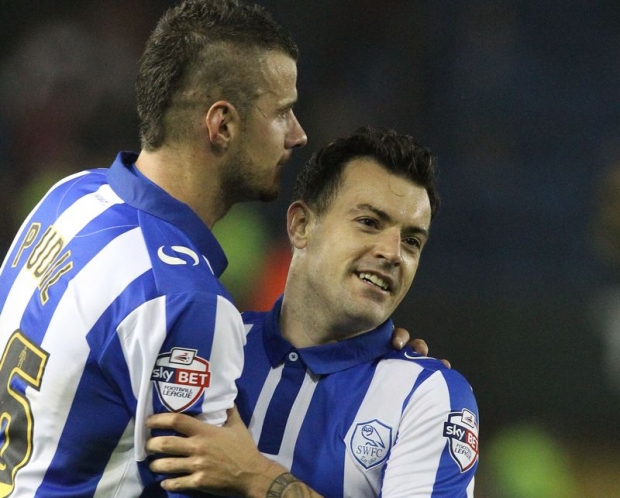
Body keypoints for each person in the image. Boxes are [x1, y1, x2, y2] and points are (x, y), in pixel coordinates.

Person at [0, 2, 425, 496]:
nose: (298, 134)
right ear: (221, 125)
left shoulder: (68, 197)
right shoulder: (186, 302)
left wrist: (361, 354)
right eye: (281, 113)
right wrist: (262, 480)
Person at [146, 127, 479, 497]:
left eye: (412, 241)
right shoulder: (204, 347)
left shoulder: (424, 396)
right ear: (301, 225)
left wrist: (256, 477)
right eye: (369, 223)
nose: (392, 253)